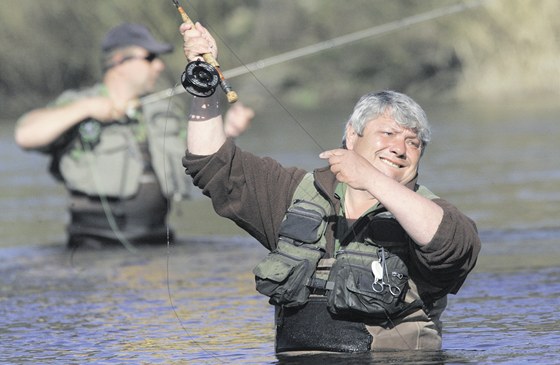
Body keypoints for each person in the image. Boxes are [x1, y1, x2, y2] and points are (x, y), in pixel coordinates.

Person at [179, 22, 481, 354]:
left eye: (413, 142)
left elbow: (454, 246)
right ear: (352, 136)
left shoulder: (428, 213)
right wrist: (203, 83)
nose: (400, 148)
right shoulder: (293, 192)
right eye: (388, 134)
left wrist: (370, 179)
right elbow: (211, 164)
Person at [14, 23, 254, 249]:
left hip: (158, 242)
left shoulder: (163, 112)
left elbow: (197, 155)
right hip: (93, 246)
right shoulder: (77, 104)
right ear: (118, 61)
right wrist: (86, 109)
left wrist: (228, 130)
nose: (158, 66)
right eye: (149, 57)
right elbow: (26, 135)